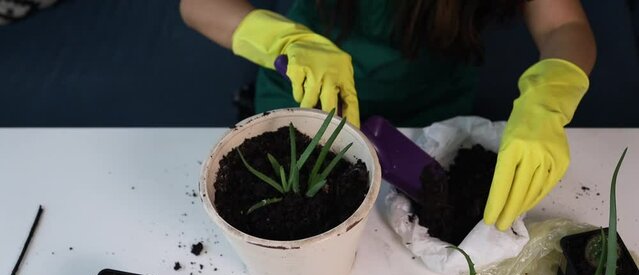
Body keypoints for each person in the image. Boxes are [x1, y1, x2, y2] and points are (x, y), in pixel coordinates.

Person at [179, 0, 596, 232]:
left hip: (432, 115)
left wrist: (548, 98)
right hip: (310, 91)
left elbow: (564, 25)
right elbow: (198, 6)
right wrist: (283, 39)